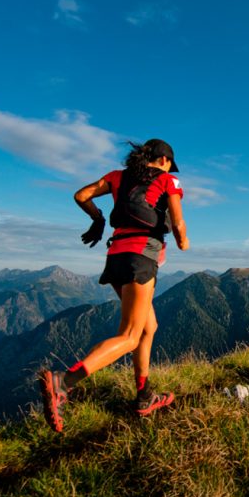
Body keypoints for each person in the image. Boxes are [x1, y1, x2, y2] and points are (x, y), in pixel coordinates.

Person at [37, 139, 189, 432]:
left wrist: (98, 218)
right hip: (140, 256)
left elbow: (81, 195)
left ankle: (144, 396)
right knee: (130, 335)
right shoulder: (169, 180)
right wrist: (182, 242)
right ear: (163, 160)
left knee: (148, 327)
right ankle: (63, 383)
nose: (170, 167)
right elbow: (179, 224)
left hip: (115, 256)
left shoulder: (117, 176)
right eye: (170, 163)